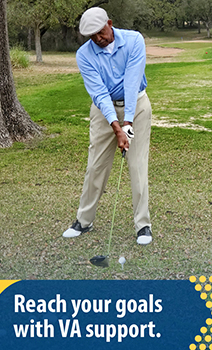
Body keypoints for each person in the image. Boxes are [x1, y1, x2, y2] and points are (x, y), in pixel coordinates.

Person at [62, 7, 152, 245]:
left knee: (137, 166)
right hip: (104, 112)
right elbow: (99, 94)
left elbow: (132, 82)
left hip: (138, 107)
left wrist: (129, 122)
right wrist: (117, 127)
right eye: (92, 36)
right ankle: (84, 221)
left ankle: (143, 226)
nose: (98, 39)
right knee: (96, 166)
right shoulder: (84, 55)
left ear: (110, 23)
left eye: (101, 33)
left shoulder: (134, 40)